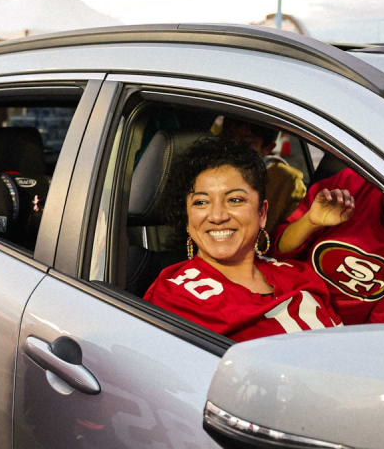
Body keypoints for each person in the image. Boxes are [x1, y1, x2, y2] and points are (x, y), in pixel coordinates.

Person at [144, 135, 341, 341]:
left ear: (262, 213)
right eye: (201, 202)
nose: (218, 216)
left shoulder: (299, 275)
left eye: (235, 200)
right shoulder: (174, 298)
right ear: (187, 218)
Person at [270, 168, 384, 327]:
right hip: (278, 302)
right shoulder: (349, 185)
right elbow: (277, 252)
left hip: (333, 334)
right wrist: (310, 222)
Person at [212, 116, 305, 232]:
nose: (233, 149)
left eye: (245, 143)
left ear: (268, 148)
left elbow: (294, 233)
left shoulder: (286, 182)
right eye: (229, 140)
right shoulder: (206, 174)